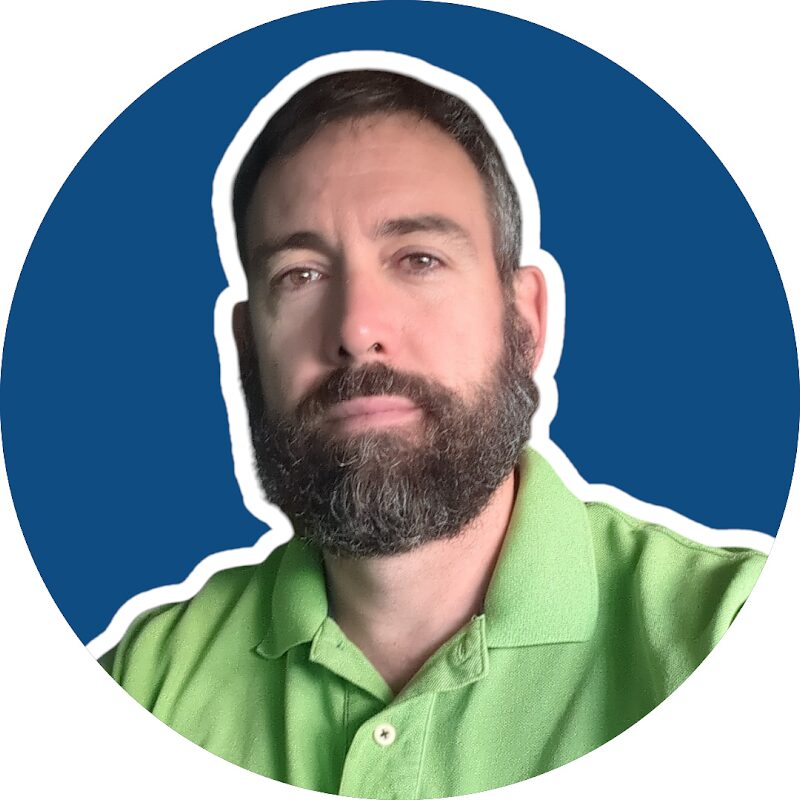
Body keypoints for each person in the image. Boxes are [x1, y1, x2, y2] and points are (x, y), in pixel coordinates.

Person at [100, 66, 767, 798]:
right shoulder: (142, 686)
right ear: (247, 347)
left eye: (419, 259)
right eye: (300, 274)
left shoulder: (735, 636)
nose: (357, 330)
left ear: (525, 321)